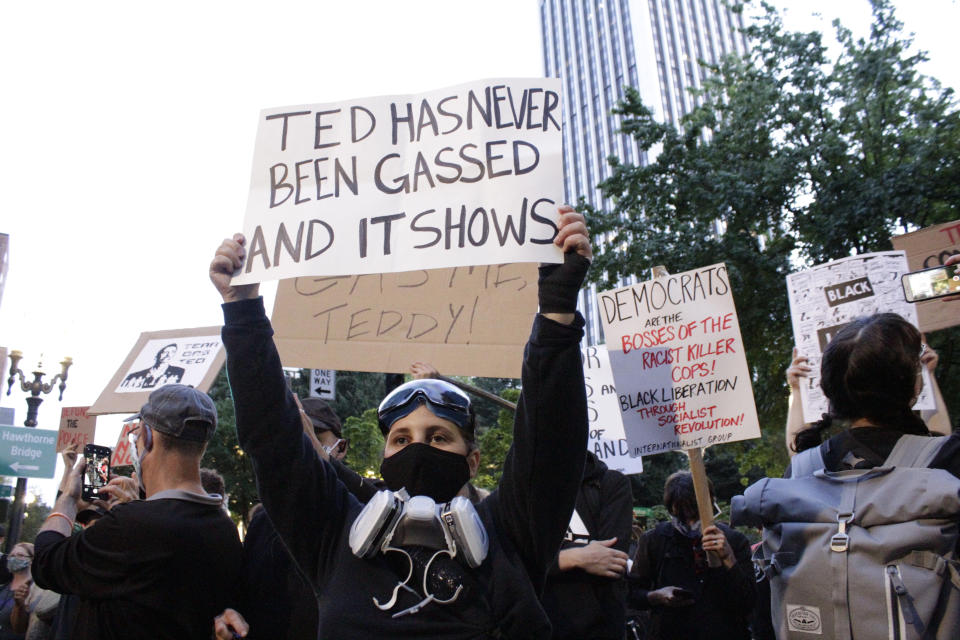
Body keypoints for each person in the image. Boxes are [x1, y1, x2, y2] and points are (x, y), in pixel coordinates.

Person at [210, 205, 592, 637]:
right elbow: (271, 440)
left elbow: (553, 443)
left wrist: (558, 311)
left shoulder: (511, 533)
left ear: (472, 461)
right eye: (401, 438)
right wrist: (242, 314)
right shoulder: (333, 531)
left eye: (439, 437)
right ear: (385, 454)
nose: (418, 449)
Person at [32, 384, 243, 640]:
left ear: (148, 435)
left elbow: (46, 561)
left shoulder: (132, 526)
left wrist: (68, 498)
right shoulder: (224, 530)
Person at [629, 472, 755, 640]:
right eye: (682, 516)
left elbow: (748, 602)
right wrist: (656, 596)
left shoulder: (734, 540)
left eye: (695, 515)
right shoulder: (655, 540)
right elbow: (632, 595)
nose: (690, 524)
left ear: (710, 505)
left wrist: (728, 558)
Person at [784, 336, 952, 455]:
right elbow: (942, 437)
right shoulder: (933, 455)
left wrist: (798, 390)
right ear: (912, 388)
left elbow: (797, 456)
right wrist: (927, 375)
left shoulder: (819, 463)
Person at [541, 451, 633, 640]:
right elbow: (515, 560)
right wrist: (576, 558)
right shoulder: (523, 489)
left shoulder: (611, 483)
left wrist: (548, 561)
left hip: (598, 629)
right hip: (539, 625)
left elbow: (611, 561)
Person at [119, 343, 185, 389]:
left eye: (173, 352)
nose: (168, 355)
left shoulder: (179, 372)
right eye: (165, 352)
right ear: (158, 354)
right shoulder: (134, 376)